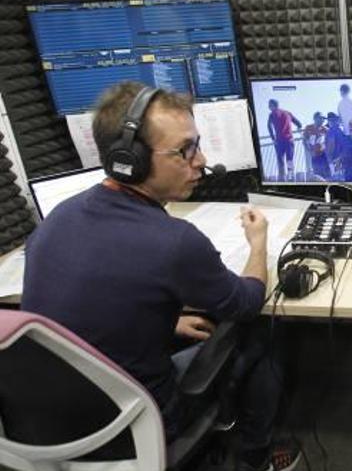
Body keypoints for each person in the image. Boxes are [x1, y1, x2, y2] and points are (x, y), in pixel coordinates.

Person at [22, 82, 299, 471]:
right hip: (136, 421)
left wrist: (169, 320)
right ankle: (257, 455)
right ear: (129, 160)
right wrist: (258, 243)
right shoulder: (176, 242)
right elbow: (247, 302)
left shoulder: (57, 220)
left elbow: (93, 308)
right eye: (185, 150)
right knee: (264, 332)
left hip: (47, 424)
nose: (201, 160)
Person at [267, 99, 303, 181]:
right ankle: (290, 176)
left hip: (279, 141)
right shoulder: (288, 113)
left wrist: (273, 138)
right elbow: (299, 124)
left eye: (269, 105)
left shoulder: (272, 114)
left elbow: (269, 126)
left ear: (273, 105)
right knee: (289, 159)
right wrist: (298, 128)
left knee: (280, 160)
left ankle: (282, 179)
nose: (268, 107)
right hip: (290, 140)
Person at [304, 111, 330, 181]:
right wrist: (309, 151)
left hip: (324, 156)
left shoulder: (326, 130)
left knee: (327, 175)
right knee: (318, 175)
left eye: (323, 119)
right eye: (321, 118)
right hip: (314, 156)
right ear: (315, 118)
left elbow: (329, 142)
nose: (323, 120)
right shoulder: (308, 128)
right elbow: (305, 141)